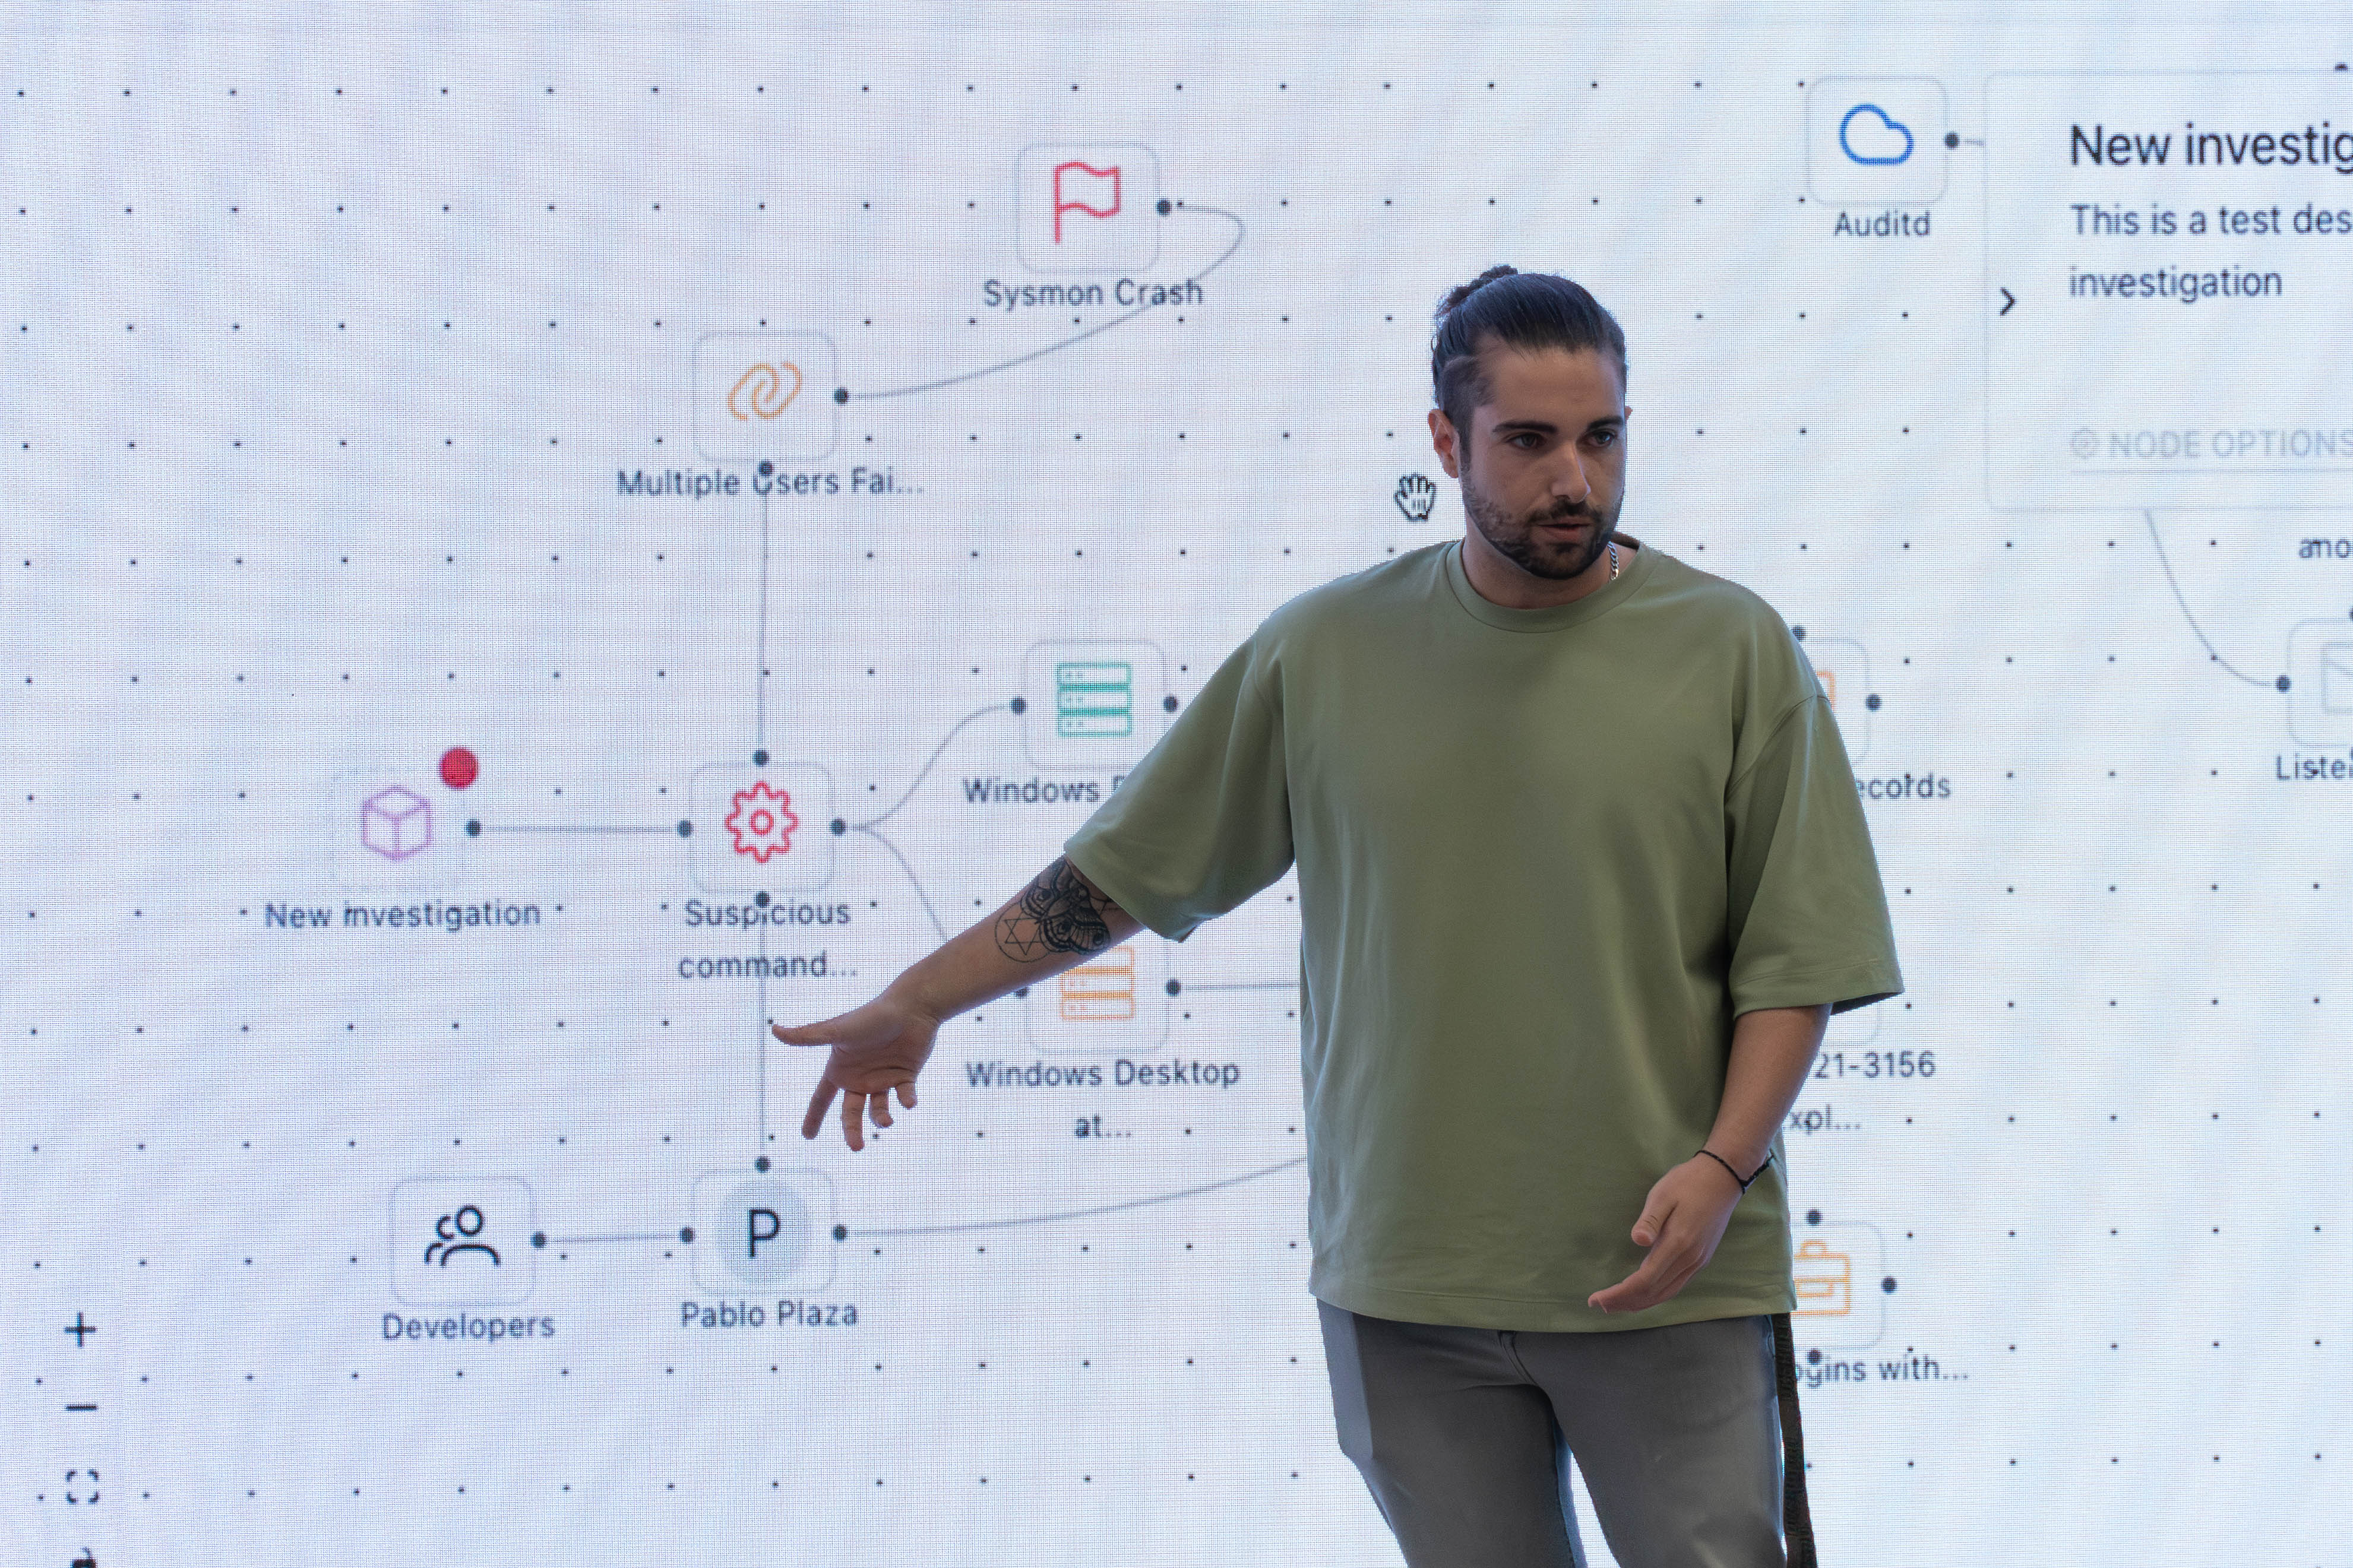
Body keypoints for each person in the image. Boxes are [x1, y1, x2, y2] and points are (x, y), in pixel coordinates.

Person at [775, 265, 1901, 1567]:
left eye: (1600, 437)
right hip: (1405, 1282)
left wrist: (1723, 1168)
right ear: (1446, 441)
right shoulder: (1321, 651)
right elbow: (1126, 873)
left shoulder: (1731, 648)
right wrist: (921, 999)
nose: (1573, 480)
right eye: (1528, 441)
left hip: (1671, 1267)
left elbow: (1793, 962)